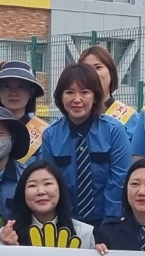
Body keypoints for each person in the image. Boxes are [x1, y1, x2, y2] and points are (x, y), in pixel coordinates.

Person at [39, 63, 131, 228]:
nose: (77, 99)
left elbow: (119, 180)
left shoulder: (114, 131)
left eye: (84, 92)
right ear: (60, 97)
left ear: (95, 96)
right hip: (65, 222)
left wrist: (110, 225)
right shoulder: (50, 135)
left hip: (108, 220)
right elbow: (47, 181)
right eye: (69, 92)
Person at [0, 160, 97, 250]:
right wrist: (10, 250)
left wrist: (100, 254)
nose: (41, 191)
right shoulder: (7, 234)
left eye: (48, 183)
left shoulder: (83, 233)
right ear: (22, 192)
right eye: (32, 185)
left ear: (60, 189)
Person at [79, 44, 145, 153]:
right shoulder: (73, 117)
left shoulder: (133, 120)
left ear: (111, 73)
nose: (92, 74)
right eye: (86, 69)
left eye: (98, 67)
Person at [0, 60, 49, 160]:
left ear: (31, 92)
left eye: (21, 87)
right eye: (6, 86)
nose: (13, 93)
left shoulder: (44, 133)